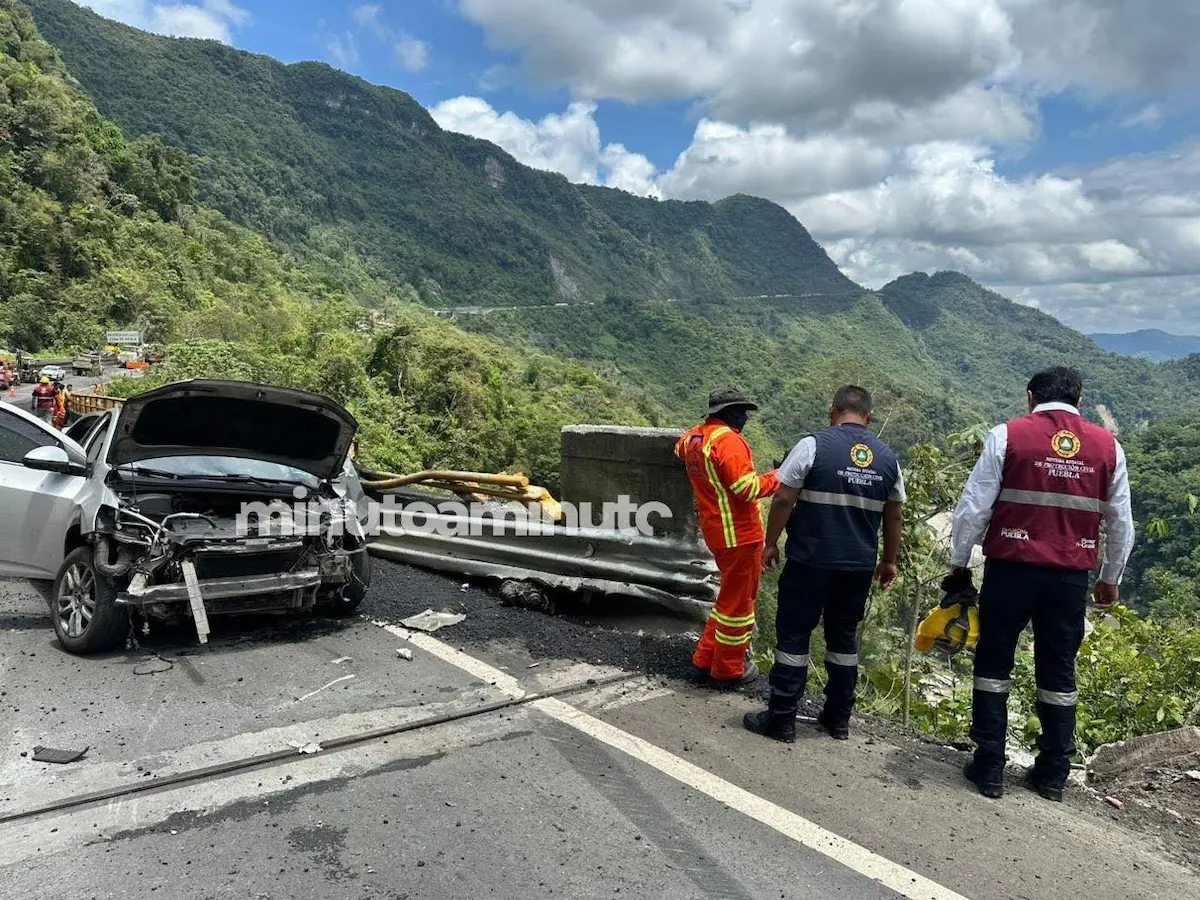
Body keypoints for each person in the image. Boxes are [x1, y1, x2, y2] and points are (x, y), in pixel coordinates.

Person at [949, 366, 1134, 801]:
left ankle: (989, 767)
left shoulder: (1007, 436)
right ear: (1079, 401)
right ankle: (1052, 775)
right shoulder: (1108, 447)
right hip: (1069, 578)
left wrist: (959, 565)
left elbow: (974, 508)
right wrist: (1110, 577)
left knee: (994, 663)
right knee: (1058, 669)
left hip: (1011, 570)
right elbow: (1120, 521)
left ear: (1029, 396)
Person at [743, 385, 904, 743]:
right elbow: (894, 517)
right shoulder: (888, 459)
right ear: (869, 417)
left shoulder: (812, 446)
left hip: (810, 561)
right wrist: (888, 562)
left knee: (794, 636)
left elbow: (783, 499)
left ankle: (782, 720)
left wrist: (770, 543)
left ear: (833, 411)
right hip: (857, 567)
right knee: (843, 641)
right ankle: (838, 720)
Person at [675, 388, 780, 687]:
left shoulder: (693, 438)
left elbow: (678, 447)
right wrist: (780, 474)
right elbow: (747, 489)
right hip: (740, 535)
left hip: (716, 532)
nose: (745, 417)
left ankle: (704, 659)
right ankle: (727, 670)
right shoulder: (729, 441)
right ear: (729, 413)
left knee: (728, 599)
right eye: (741, 411)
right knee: (739, 608)